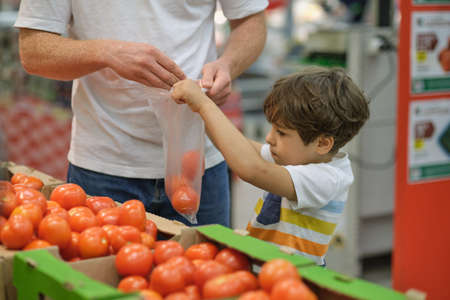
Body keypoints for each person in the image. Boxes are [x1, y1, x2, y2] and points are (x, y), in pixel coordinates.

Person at [14, 1, 269, 227]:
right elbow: (34, 50)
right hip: (104, 165)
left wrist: (227, 66)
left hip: (200, 165)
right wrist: (106, 52)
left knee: (209, 276)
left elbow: (251, 21)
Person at [171, 66, 370, 265]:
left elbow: (252, 169)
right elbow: (242, 147)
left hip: (292, 278)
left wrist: (204, 105)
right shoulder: (295, 155)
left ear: (322, 143)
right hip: (266, 268)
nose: (269, 138)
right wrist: (202, 115)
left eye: (281, 132)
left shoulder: (327, 179)